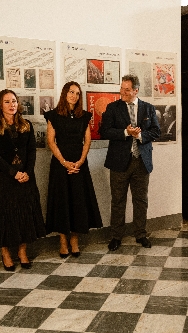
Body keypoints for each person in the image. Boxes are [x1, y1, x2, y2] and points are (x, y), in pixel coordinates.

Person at [0, 89, 46, 270]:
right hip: (4, 177)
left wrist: (27, 172)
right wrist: (13, 173)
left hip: (26, 176)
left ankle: (22, 251)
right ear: (0, 105)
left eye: (14, 101)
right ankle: (5, 253)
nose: (12, 105)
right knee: (4, 214)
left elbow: (32, 151)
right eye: (7, 102)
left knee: (25, 214)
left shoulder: (26, 124)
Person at [100, 74, 160, 251]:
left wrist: (140, 135)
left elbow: (156, 132)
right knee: (118, 201)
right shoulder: (113, 108)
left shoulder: (148, 108)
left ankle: (140, 234)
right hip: (119, 162)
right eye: (121, 88)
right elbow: (104, 131)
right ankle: (116, 237)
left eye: (127, 90)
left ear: (136, 90)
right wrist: (126, 133)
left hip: (141, 162)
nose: (122, 92)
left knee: (141, 201)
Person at [45, 81, 102, 258]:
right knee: (62, 202)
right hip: (60, 164)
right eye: (71, 92)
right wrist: (64, 162)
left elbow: (87, 140)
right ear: (65, 93)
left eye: (77, 93)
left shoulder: (84, 116)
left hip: (79, 165)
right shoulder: (53, 115)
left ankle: (75, 241)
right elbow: (51, 141)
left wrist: (80, 161)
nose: (74, 96)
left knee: (78, 202)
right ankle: (63, 241)